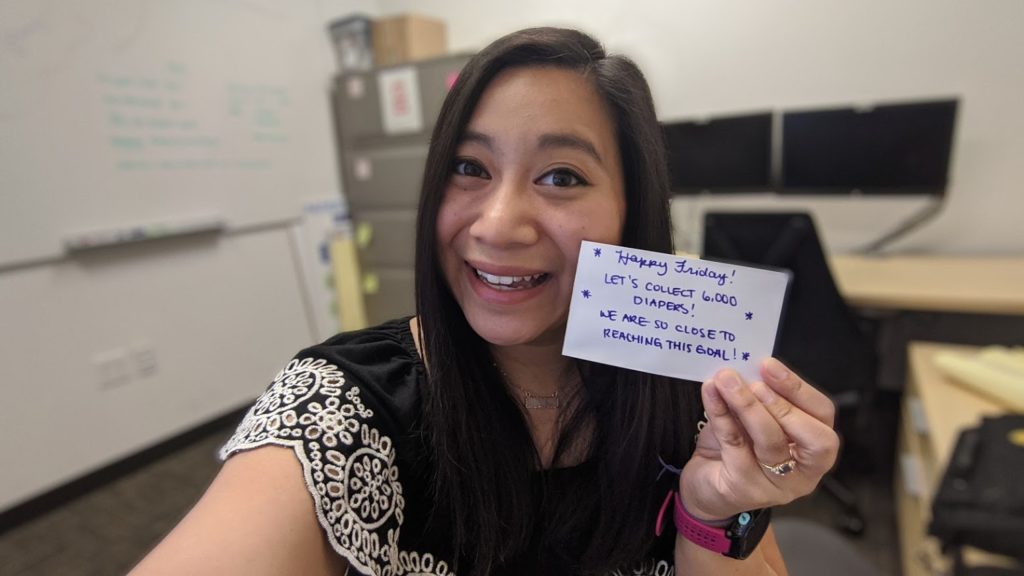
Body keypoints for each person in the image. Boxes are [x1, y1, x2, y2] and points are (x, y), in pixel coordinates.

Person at [130, 27, 838, 575]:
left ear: (631, 210)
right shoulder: (342, 408)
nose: (497, 225)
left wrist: (709, 512)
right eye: (470, 168)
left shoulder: (690, 400)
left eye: (562, 176)